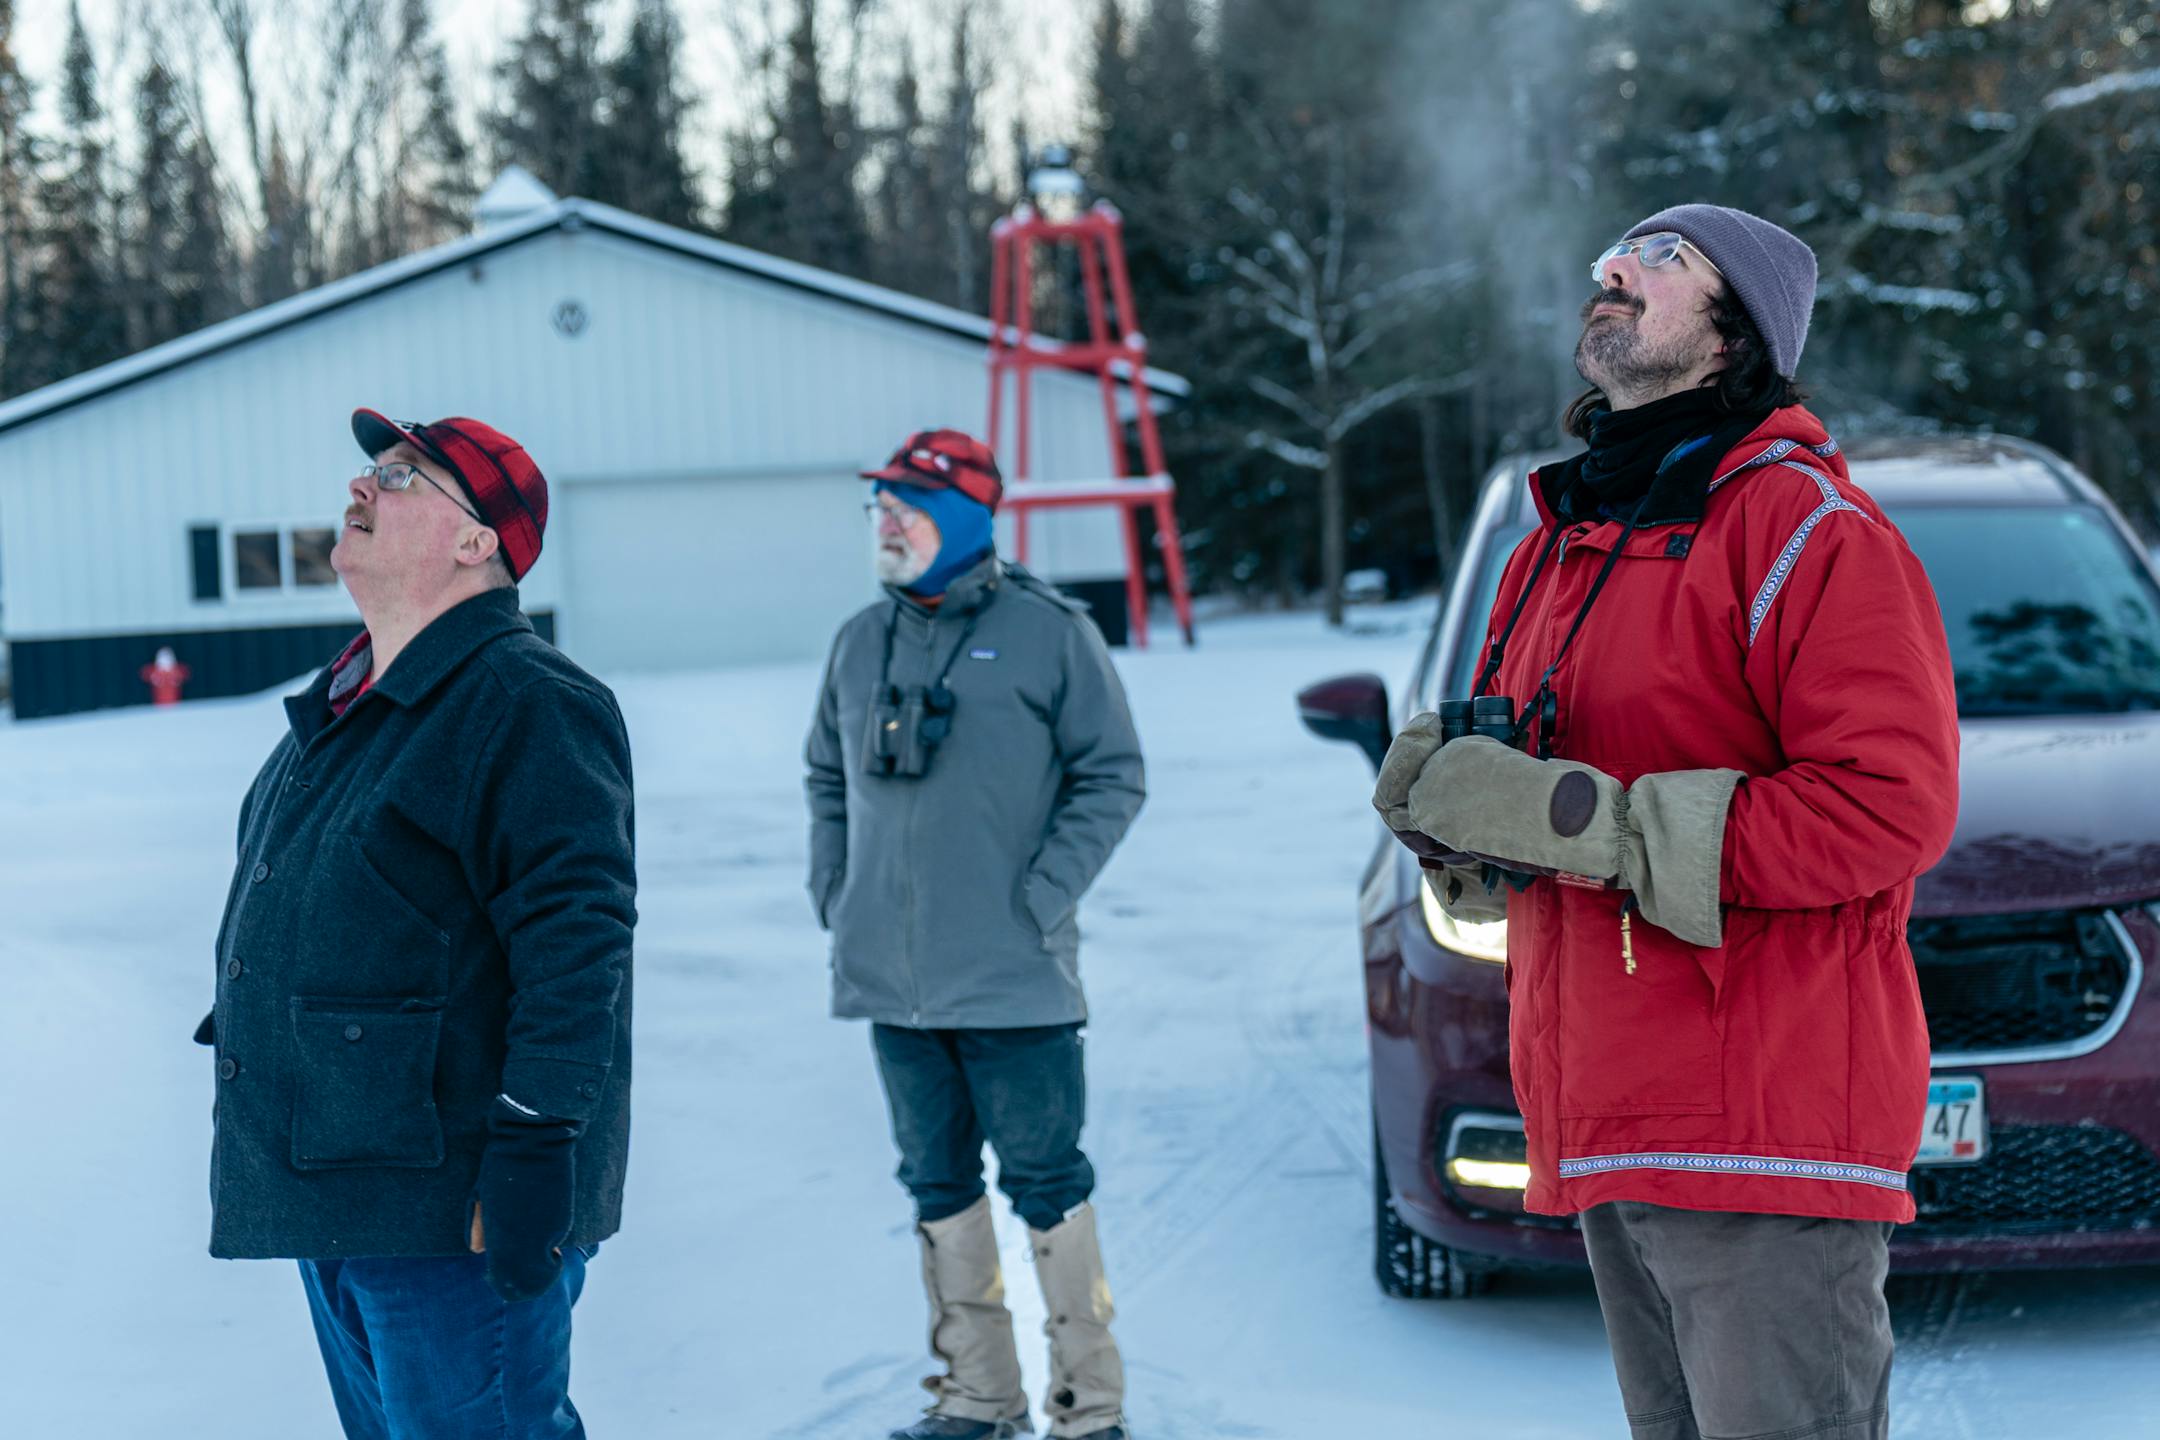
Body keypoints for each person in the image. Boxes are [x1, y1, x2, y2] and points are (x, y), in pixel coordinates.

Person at [1373, 205, 1960, 1440]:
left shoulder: (1805, 530)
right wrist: (1459, 823)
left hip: (1764, 1125)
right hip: (1608, 1110)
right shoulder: (1563, 542)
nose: (1613, 272)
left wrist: (1594, 826)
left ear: (1736, 328)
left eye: (1659, 258)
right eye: (1609, 259)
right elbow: (1543, 802)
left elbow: (1888, 806)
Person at [197, 410, 636, 1438]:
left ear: (478, 540)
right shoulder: (352, 708)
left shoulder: (525, 700)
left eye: (398, 479)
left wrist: (538, 1143)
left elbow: (576, 941)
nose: (361, 488)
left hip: (456, 1205)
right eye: (367, 471)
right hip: (343, 1174)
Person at [805, 428, 1146, 1440]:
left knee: (1047, 1185)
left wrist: (1039, 898)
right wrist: (838, 892)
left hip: (1015, 978)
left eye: (905, 507)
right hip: (892, 984)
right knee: (937, 1185)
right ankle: (978, 1398)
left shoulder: (1050, 632)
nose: (886, 524)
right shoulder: (859, 641)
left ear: (964, 518)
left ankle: (1089, 1407)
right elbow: (827, 777)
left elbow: (1112, 774)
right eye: (880, 508)